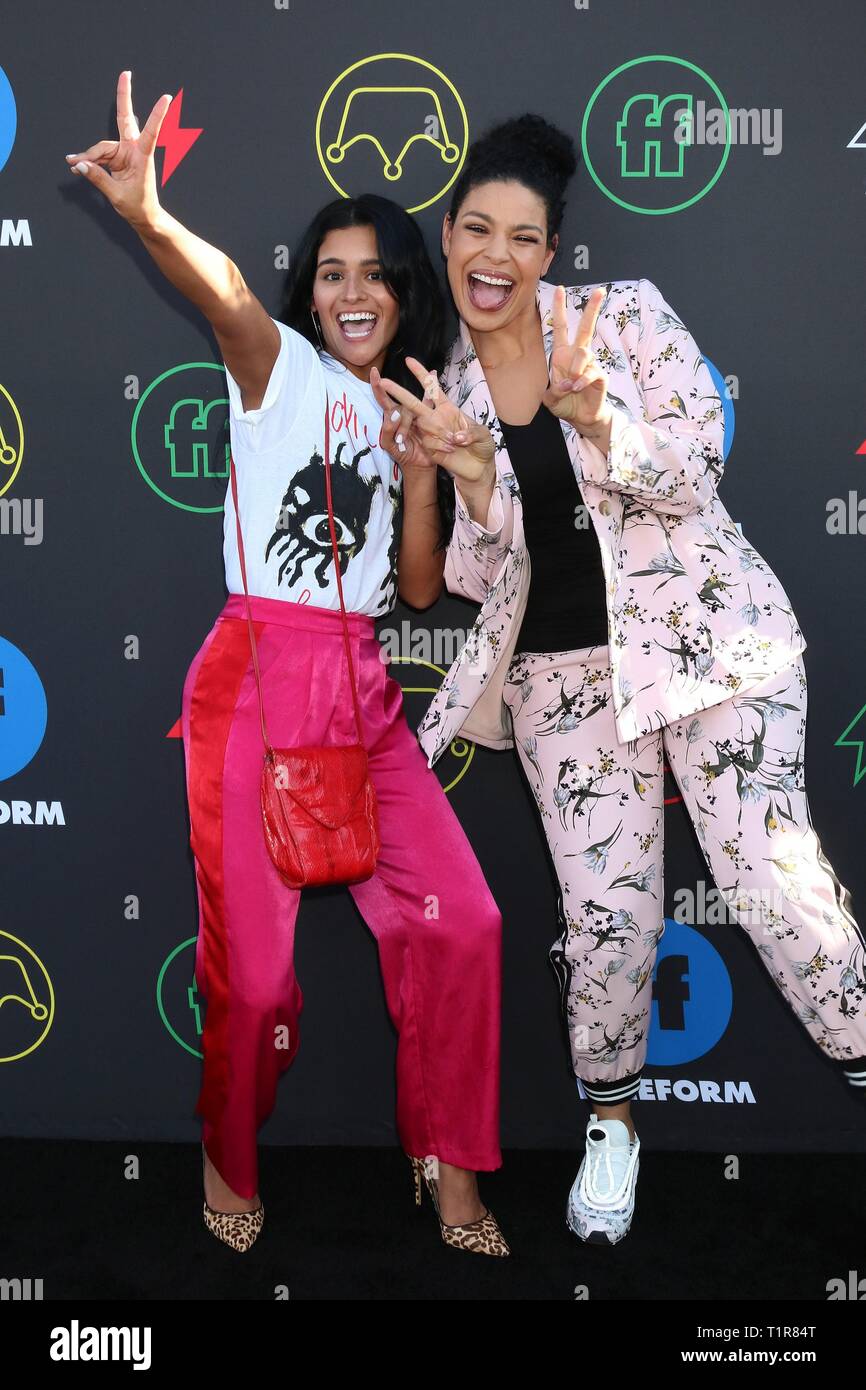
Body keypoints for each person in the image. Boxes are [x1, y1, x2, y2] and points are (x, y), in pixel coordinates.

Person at [378, 113, 866, 1246]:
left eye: (523, 235)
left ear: (550, 252)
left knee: (773, 884)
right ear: (448, 237)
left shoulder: (625, 319)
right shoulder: (445, 374)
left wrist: (593, 409)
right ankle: (611, 1124)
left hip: (705, 647)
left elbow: (696, 469)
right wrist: (462, 473)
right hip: (561, 681)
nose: (493, 254)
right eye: (475, 229)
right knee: (606, 922)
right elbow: (473, 569)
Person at [66, 69, 510, 1257]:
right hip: (257, 680)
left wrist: (423, 464)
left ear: (403, 290)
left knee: (462, 920)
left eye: (373, 271)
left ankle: (449, 1160)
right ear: (308, 297)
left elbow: (416, 589)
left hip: (360, 688)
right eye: (330, 272)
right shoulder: (278, 373)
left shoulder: (416, 403)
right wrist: (152, 217)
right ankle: (229, 1145)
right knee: (256, 985)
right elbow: (221, 300)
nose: (352, 290)